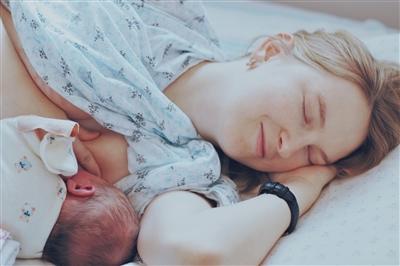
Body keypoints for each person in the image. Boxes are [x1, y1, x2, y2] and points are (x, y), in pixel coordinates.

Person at [1, 1, 399, 265]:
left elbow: (192, 252)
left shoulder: (186, 172)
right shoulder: (164, 15)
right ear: (272, 51)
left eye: (312, 155)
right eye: (307, 112)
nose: (289, 145)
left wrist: (298, 189)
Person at [0, 115, 140, 266]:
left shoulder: (59, 163)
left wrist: (68, 133)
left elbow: (38, 129)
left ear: (81, 188)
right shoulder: (23, 250)